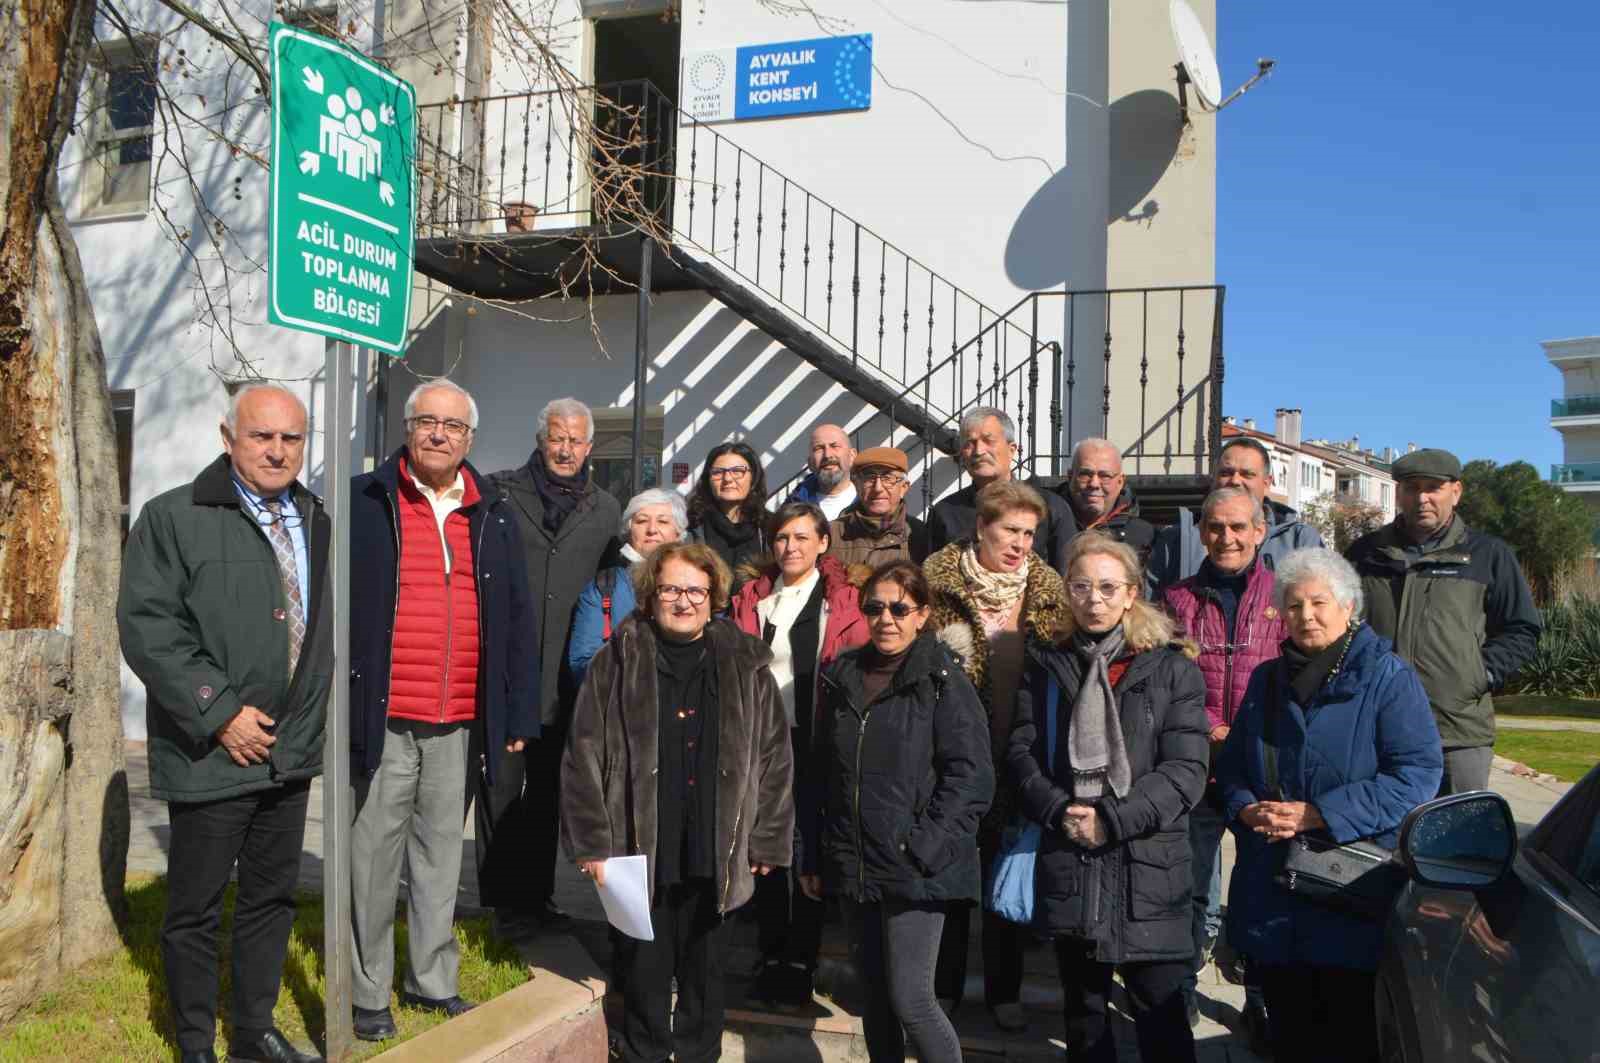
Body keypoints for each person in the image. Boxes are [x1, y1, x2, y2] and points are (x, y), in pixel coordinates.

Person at [118, 384, 330, 1063]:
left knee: (270, 900)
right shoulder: (174, 515)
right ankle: (193, 1043)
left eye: (290, 437)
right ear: (227, 436)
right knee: (195, 909)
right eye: (261, 435)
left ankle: (252, 1030)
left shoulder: (317, 518)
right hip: (214, 751)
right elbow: (149, 627)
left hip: (289, 751)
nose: (276, 450)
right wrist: (220, 713)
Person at [346, 380, 539, 1040]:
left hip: (458, 717)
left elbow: (516, 619)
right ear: (406, 428)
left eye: (452, 426)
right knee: (371, 859)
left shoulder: (494, 513)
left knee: (439, 859)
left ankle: (431, 979)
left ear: (470, 439)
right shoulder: (365, 502)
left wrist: (515, 714)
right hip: (385, 713)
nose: (438, 434)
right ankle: (366, 989)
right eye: (426, 421)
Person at [561, 542, 794, 1063]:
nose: (683, 601)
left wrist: (769, 837)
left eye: (695, 590)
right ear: (650, 595)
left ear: (713, 597)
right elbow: (582, 755)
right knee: (643, 972)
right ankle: (645, 1053)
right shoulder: (616, 661)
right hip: (640, 846)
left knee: (707, 976)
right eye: (671, 589)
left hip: (718, 847)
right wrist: (590, 843)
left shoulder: (747, 665)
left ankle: (697, 1055)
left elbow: (775, 757)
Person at [1215, 548, 1443, 1062]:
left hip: (1348, 895)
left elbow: (1416, 776)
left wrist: (1320, 813)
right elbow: (1232, 770)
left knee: (1347, 1037)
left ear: (1348, 607)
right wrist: (1245, 807)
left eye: (1319, 602)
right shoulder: (1266, 680)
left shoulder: (1387, 678)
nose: (1306, 616)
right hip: (1271, 888)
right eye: (1293, 606)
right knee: (1287, 1032)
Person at [1008, 531, 1209, 1063]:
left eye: (1106, 587)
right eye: (1080, 586)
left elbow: (1185, 772)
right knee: (1085, 1018)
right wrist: (1057, 809)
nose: (1092, 599)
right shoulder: (1048, 664)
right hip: (1072, 861)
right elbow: (1022, 752)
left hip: (1149, 870)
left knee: (1161, 1019)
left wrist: (1112, 820)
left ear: (1130, 593)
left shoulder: (1171, 668)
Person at [805, 560, 993, 1063]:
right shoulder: (842, 675)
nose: (885, 618)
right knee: (875, 1000)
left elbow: (971, 777)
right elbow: (822, 771)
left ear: (921, 614)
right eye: (874, 607)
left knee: (912, 999)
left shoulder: (942, 679)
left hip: (914, 867)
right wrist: (815, 855)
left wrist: (924, 845)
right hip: (855, 862)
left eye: (899, 608)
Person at [924, 481, 1068, 1031]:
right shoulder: (936, 581)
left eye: (1029, 533)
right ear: (981, 526)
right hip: (949, 760)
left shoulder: (1048, 588)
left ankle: (1005, 991)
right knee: (954, 878)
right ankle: (945, 989)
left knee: (1008, 876)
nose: (1020, 543)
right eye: (1010, 530)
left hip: (1020, 757)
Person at [489, 397, 622, 937]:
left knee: (548, 797)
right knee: (500, 792)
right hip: (509, 671)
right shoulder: (498, 492)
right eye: (556, 437)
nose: (565, 448)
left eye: (575, 440)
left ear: (589, 447)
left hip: (569, 682)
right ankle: (501, 904)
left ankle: (537, 897)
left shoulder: (607, 508)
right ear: (540, 440)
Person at [1156, 486, 1284, 1045]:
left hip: (1262, 766)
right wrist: (1210, 723)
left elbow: (1292, 675)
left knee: (1261, 887)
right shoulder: (1175, 599)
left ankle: (1260, 999)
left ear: (1260, 531)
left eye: (1239, 527)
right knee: (1189, 887)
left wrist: (1250, 728)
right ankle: (1181, 991)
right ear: (1202, 532)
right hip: (1196, 763)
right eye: (1215, 527)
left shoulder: (1284, 596)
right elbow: (1163, 675)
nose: (1227, 538)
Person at [730, 502, 869, 1007]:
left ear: (823, 543)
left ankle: (801, 961)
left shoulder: (843, 599)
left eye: (802, 538)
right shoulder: (752, 598)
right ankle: (770, 955)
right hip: (762, 743)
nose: (790, 547)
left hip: (815, 743)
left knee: (809, 853)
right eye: (783, 538)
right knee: (766, 852)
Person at [1345, 448, 1540, 795]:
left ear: (1456, 491)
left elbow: (1521, 629)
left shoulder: (1488, 555)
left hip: (1457, 733)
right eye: (1411, 487)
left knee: (1458, 843)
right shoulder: (1364, 554)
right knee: (1374, 844)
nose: (1422, 498)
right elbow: (1339, 629)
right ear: (1399, 493)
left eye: (1433, 487)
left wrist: (1478, 675)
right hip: (1373, 731)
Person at [1148, 436, 1325, 594]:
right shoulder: (1176, 539)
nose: (1235, 480)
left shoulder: (1300, 541)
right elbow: (1151, 610)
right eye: (1226, 473)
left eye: (1247, 474)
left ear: (1267, 482)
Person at [925, 406, 1075, 572]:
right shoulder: (945, 513)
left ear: (1011, 450)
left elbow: (1068, 578)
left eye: (988, 441)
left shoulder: (1049, 507)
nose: (979, 451)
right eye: (970, 443)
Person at [568, 487, 688, 686]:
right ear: (629, 531)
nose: (651, 529)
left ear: (678, 532)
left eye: (663, 521)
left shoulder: (699, 581)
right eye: (641, 521)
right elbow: (582, 664)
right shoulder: (604, 587)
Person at [826, 446, 930, 567]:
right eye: (869, 478)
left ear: (903, 488)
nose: (878, 488)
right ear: (857, 486)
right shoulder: (833, 533)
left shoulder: (919, 534)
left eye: (888, 478)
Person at [1058, 438, 1156, 561]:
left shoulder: (1144, 536)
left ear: (1120, 482)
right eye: (1085, 474)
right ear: (1070, 476)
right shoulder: (1043, 523)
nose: (1094, 484)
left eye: (1105, 476)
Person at [688, 440, 770, 578]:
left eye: (738, 471)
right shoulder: (692, 526)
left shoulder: (769, 526)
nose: (727, 479)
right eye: (718, 472)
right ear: (708, 479)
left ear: (754, 477)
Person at [790, 422, 859, 520]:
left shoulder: (871, 502)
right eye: (819, 448)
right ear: (810, 463)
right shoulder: (793, 508)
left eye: (835, 446)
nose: (827, 455)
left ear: (852, 456)